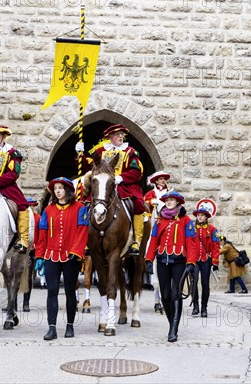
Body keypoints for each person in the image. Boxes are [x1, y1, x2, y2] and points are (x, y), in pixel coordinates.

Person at [76, 124, 146, 257]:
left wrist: (122, 177)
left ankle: (136, 240)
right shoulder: (101, 151)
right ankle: (85, 239)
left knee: (138, 204)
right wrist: (80, 155)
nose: (120, 136)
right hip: (103, 185)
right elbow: (88, 167)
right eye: (117, 134)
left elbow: (137, 171)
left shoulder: (130, 152)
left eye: (122, 134)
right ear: (110, 137)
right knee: (84, 203)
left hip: (124, 185)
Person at [34, 177, 88, 340]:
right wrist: (39, 255)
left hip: (71, 256)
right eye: (55, 188)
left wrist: (77, 251)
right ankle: (52, 328)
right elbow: (42, 233)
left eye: (60, 188)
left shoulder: (80, 208)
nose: (57, 191)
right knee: (52, 292)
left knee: (71, 292)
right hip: (51, 255)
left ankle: (70, 326)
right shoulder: (48, 209)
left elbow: (82, 231)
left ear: (68, 190)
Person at [145, 191, 195, 342]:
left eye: (171, 200)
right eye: (166, 200)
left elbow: (191, 242)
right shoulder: (159, 221)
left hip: (179, 261)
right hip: (162, 261)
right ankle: (171, 323)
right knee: (165, 296)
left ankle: (174, 329)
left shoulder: (186, 220)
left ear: (178, 203)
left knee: (175, 295)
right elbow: (153, 240)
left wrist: (191, 262)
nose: (168, 202)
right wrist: (148, 259)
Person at [0, 125, 30, 254]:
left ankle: (22, 240)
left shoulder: (12, 153)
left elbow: (14, 173)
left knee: (22, 205)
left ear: (3, 136)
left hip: (5, 186)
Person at [144, 171, 170, 313]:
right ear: (156, 181)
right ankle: (156, 299)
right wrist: (151, 203)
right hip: (154, 224)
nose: (162, 181)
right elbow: (144, 207)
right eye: (160, 179)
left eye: (164, 179)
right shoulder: (150, 194)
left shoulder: (170, 193)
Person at [187, 206, 220, 318]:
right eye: (198, 215)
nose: (200, 217)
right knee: (194, 282)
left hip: (206, 260)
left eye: (202, 215)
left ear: (206, 217)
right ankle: (195, 306)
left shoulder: (212, 229)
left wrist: (215, 262)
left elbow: (216, 246)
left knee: (205, 284)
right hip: (194, 259)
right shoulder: (191, 228)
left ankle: (204, 307)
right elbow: (188, 243)